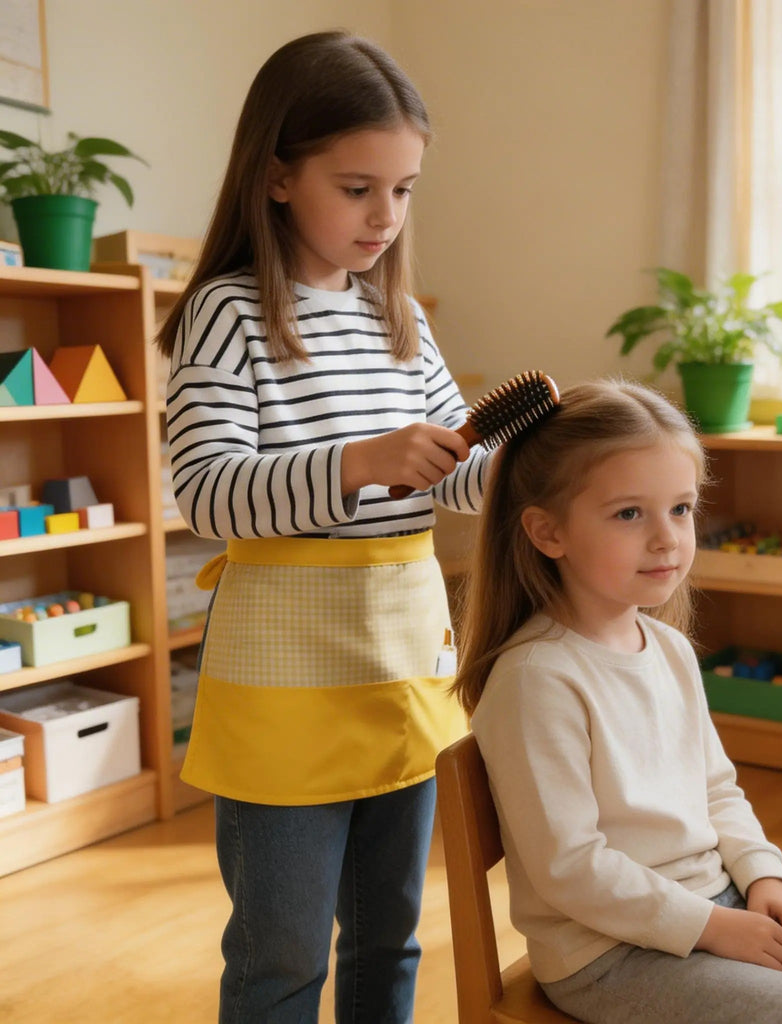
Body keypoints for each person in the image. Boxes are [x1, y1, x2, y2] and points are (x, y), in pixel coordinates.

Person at [155, 31, 486, 1024]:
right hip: (282, 686)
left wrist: (531, 471)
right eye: (357, 188)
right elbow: (208, 493)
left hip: (400, 673)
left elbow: (458, 478)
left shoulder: (402, 321)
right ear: (276, 176)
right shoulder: (228, 311)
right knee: (282, 957)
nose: (385, 216)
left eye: (405, 189)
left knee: (390, 935)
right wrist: (362, 462)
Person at [452, 379, 782, 1024]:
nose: (667, 538)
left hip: (713, 898)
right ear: (547, 532)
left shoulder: (668, 647)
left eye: (681, 508)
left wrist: (762, 878)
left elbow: (716, 788)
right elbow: (571, 869)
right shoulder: (537, 679)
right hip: (605, 951)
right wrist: (715, 927)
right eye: (629, 513)